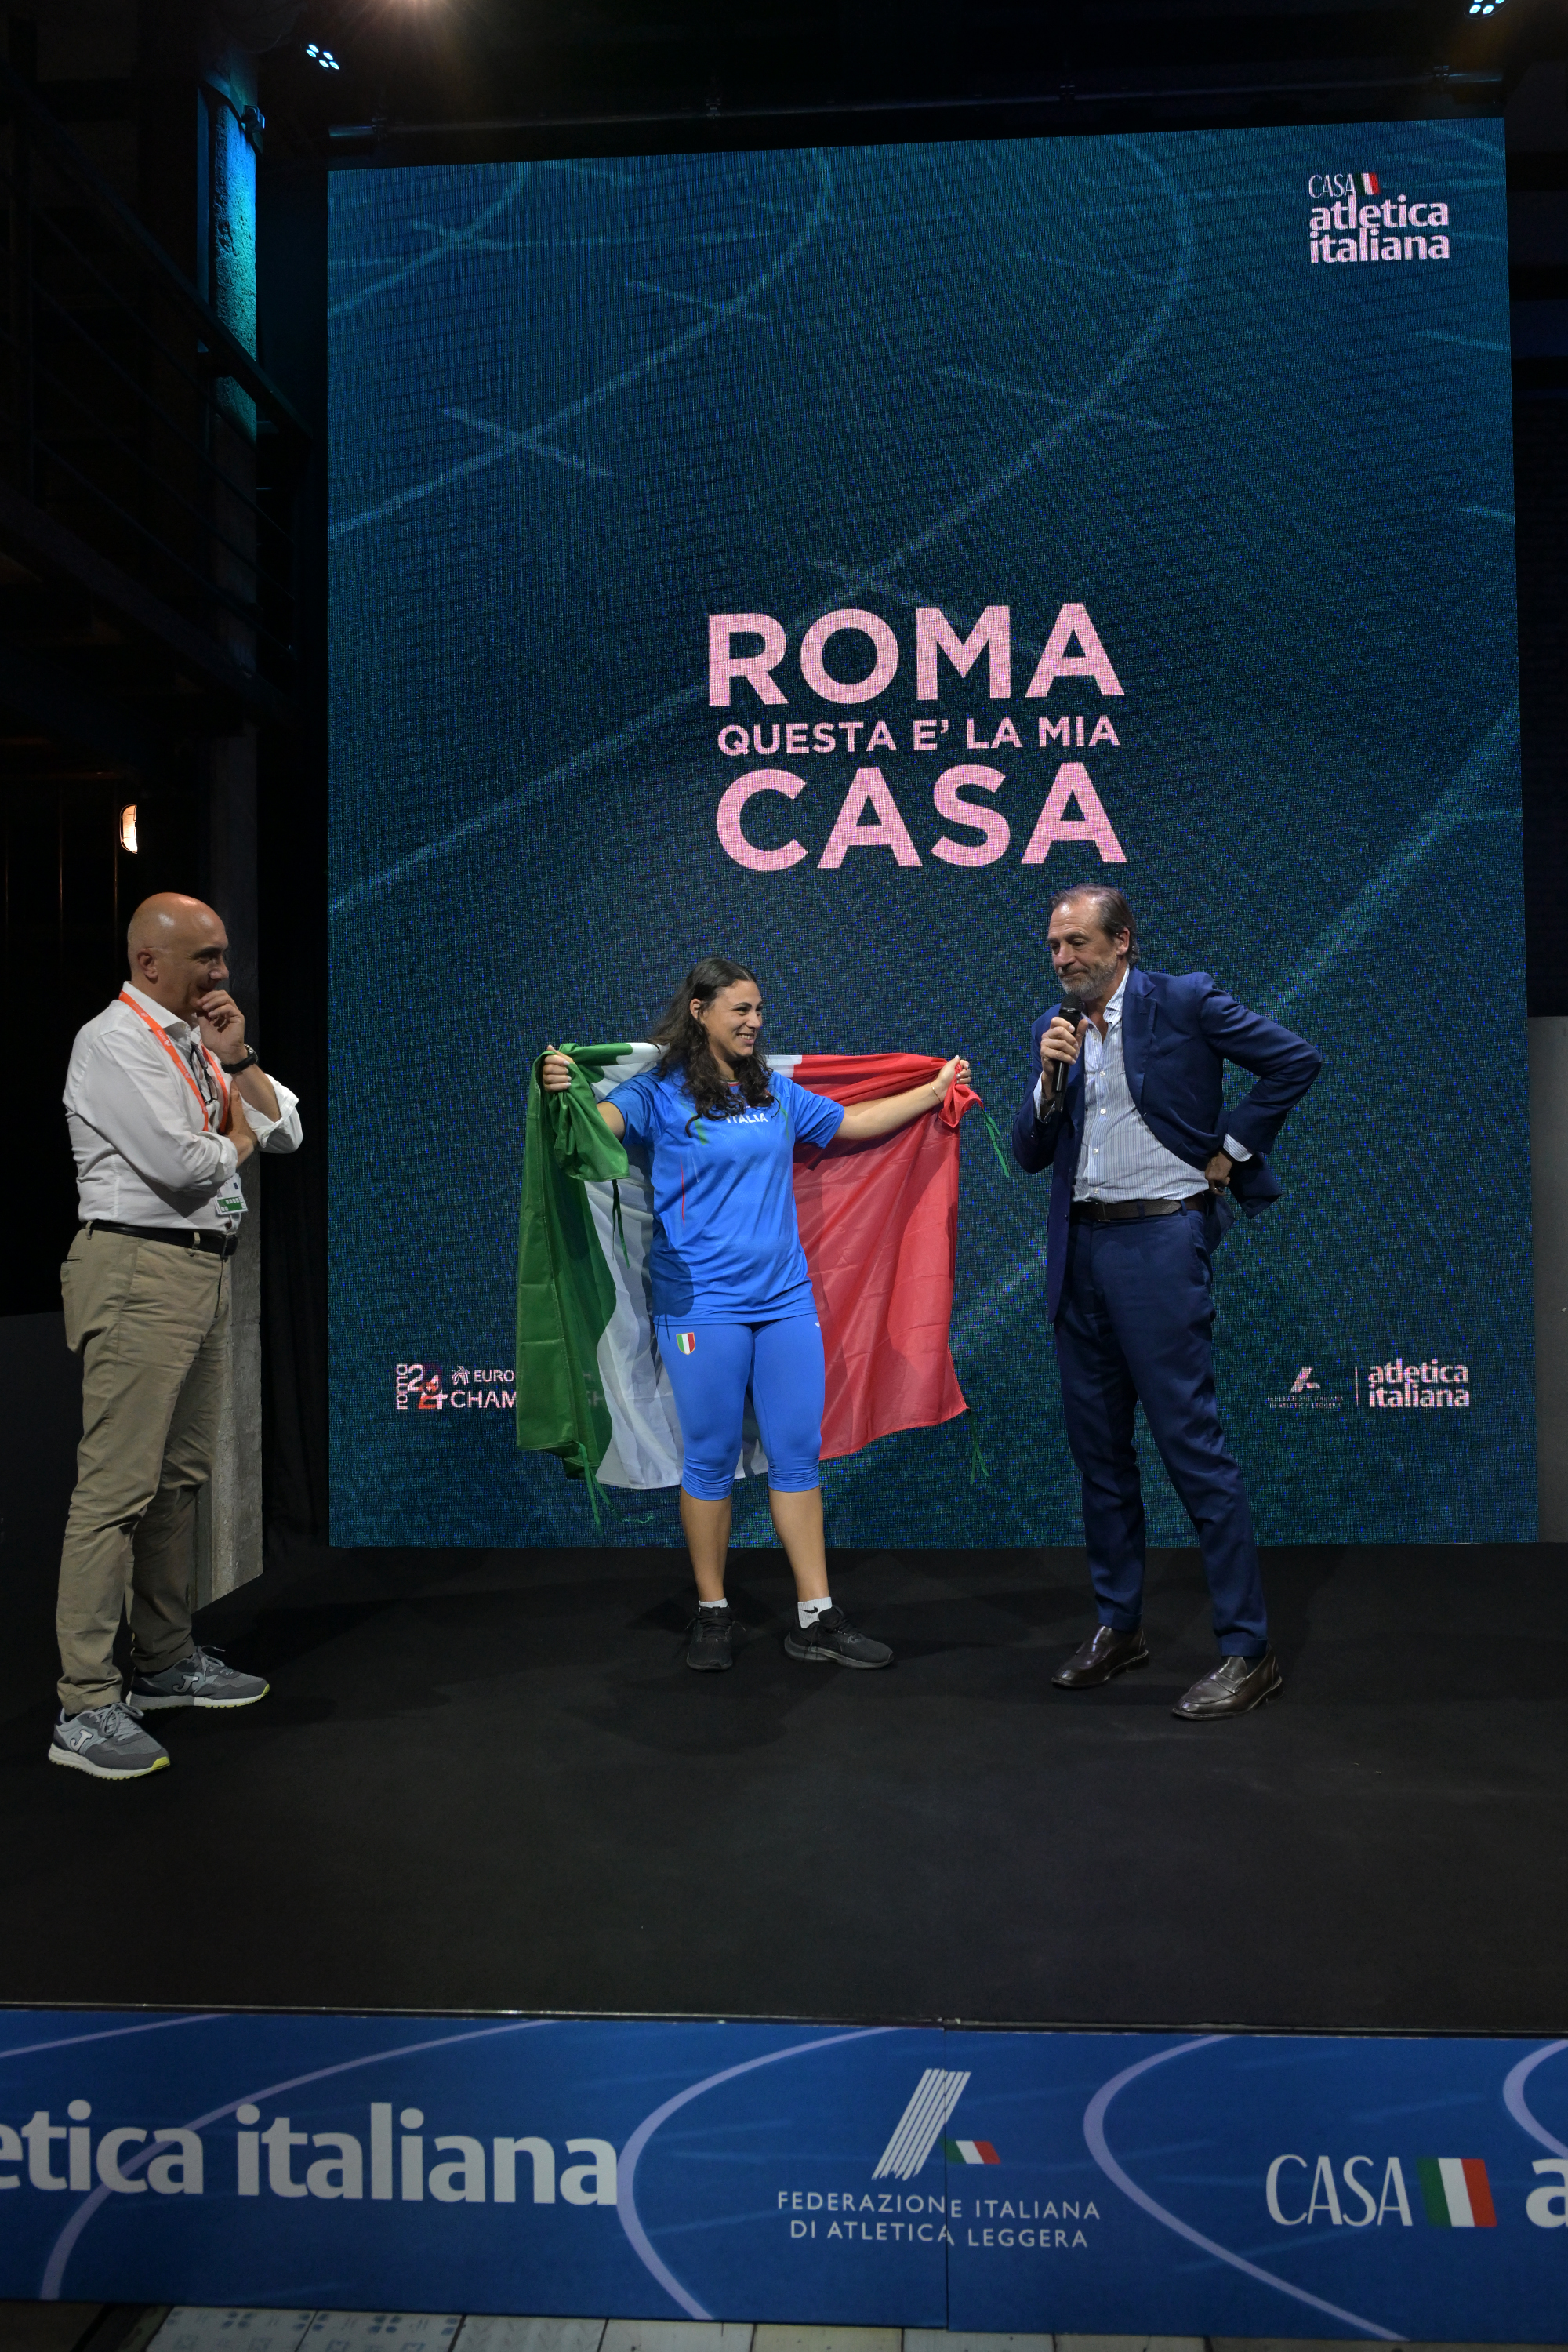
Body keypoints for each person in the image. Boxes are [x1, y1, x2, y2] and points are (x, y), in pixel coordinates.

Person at [542, 957, 968, 1672]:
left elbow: (853, 1122)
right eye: (740, 1009)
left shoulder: (774, 1092)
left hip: (784, 1301)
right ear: (700, 1010)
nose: (755, 1022)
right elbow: (598, 1130)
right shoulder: (658, 1094)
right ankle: (713, 1611)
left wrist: (932, 1092)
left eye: (760, 1010)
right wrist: (568, 1092)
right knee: (710, 1458)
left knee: (796, 1455)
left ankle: (815, 1618)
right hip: (701, 1304)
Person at [1011, 886, 1320, 1720]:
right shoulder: (1056, 1030)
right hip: (1079, 1252)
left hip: (1158, 1245)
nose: (1063, 958)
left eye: (1077, 942)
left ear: (1122, 943)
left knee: (1191, 1449)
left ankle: (1248, 1650)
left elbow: (1294, 1060)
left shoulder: (1183, 1000)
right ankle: (1119, 1627)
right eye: (1054, 946)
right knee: (1100, 1456)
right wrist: (1046, 1080)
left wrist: (1231, 1150)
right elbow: (1029, 1152)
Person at [50, 893, 303, 1781]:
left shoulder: (200, 1041)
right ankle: (84, 1704)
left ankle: (162, 1662)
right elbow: (187, 1166)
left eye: (223, 954)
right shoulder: (112, 1042)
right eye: (206, 957)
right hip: (136, 1268)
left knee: (179, 1478)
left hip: (201, 1268)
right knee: (115, 1489)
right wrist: (234, 1126)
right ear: (149, 962)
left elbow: (286, 1131)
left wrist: (240, 1061)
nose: (221, 973)